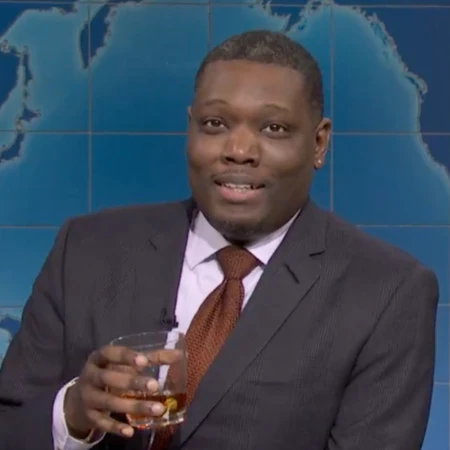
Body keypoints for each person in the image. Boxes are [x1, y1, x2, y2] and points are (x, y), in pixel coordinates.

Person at [0, 30, 439, 450]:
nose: (239, 150)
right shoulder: (87, 249)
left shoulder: (387, 293)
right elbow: (10, 423)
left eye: (274, 128)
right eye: (215, 123)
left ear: (319, 143)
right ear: (190, 129)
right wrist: (73, 414)